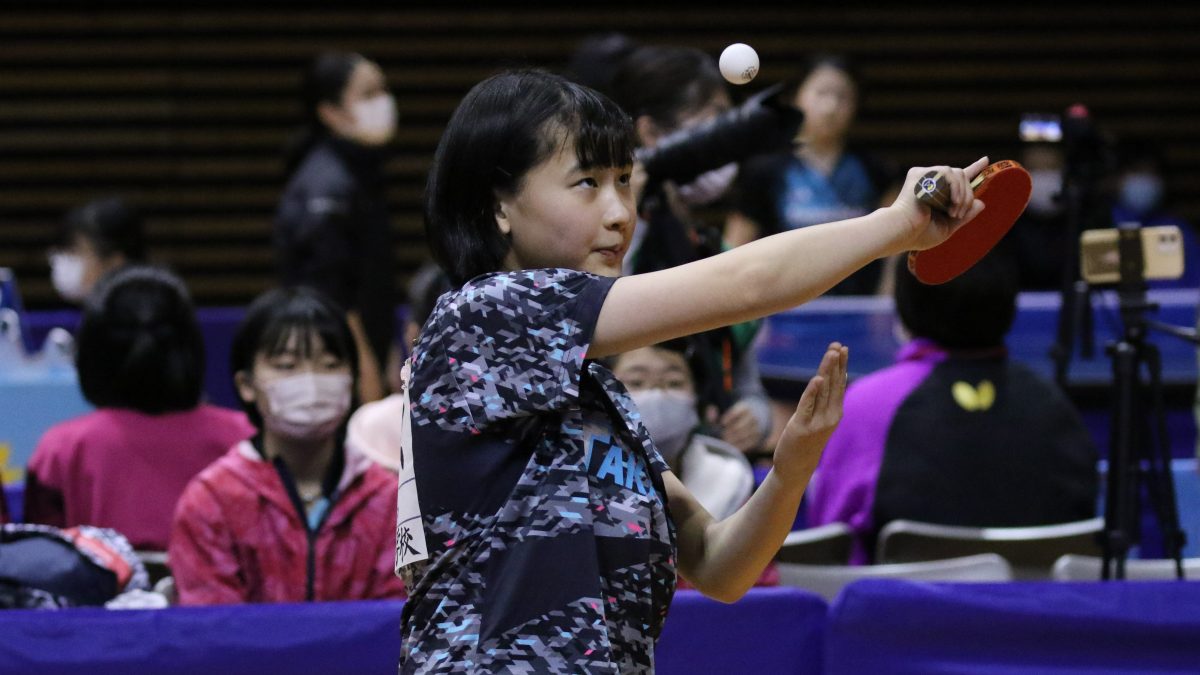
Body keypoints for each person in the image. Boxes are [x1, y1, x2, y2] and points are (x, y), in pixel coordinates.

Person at [402, 68, 982, 671]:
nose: (619, 212)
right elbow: (749, 282)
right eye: (587, 183)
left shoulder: (597, 393)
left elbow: (718, 564)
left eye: (625, 181)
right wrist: (893, 225)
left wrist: (790, 469)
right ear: (499, 205)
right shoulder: (486, 316)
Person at [805, 251, 1100, 564]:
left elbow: (830, 544)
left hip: (905, 610)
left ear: (905, 304)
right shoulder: (1052, 402)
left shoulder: (867, 404)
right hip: (1040, 609)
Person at [168, 286, 405, 605]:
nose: (311, 380)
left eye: (330, 364)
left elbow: (397, 621)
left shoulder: (388, 498)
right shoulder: (212, 501)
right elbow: (212, 632)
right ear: (246, 385)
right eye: (286, 365)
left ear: (352, 379)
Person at [606, 44, 773, 455]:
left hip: (705, 466)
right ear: (650, 134)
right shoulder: (601, 241)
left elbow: (747, 382)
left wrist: (755, 415)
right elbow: (586, 316)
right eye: (716, 124)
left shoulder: (712, 248)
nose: (728, 142)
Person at [24, 266, 254, 551]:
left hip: (100, 596)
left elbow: (42, 565)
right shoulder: (247, 437)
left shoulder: (59, 449)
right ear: (190, 345)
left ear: (93, 353)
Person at [274, 51, 399, 404]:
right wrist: (363, 367)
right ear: (330, 112)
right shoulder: (326, 184)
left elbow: (372, 282)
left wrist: (387, 351)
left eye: (384, 90)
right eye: (368, 94)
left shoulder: (362, 176)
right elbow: (331, 292)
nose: (384, 103)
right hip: (333, 364)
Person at [727, 54, 898, 295]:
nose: (830, 107)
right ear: (796, 98)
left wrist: (883, 308)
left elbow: (895, 251)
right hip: (782, 313)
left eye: (842, 96)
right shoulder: (764, 171)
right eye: (821, 93)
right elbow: (736, 246)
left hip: (857, 312)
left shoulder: (876, 170)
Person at [47, 196, 145, 304]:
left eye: (77, 251)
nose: (69, 259)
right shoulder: (101, 311)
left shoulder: (138, 314)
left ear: (115, 261)